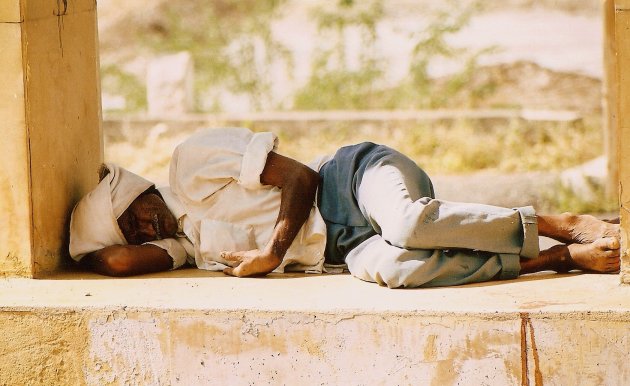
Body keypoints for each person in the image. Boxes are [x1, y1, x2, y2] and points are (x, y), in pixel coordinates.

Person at [69, 128, 620, 288]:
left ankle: (559, 224)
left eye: (134, 212)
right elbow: (114, 264)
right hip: (345, 247)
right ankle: (555, 261)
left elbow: (300, 176)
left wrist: (271, 251)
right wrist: (88, 249)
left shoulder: (188, 162)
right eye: (131, 232)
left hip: (352, 179)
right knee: (399, 266)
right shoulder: (180, 248)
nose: (144, 226)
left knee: (408, 223)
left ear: (137, 188)